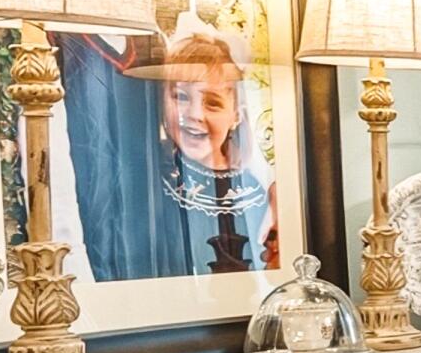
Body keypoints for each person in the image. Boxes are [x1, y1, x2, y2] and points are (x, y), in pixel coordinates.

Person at [65, 25, 279, 281]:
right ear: (160, 102)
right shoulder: (150, 181)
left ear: (236, 115)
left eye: (212, 102)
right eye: (180, 97)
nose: (195, 114)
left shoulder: (255, 187)